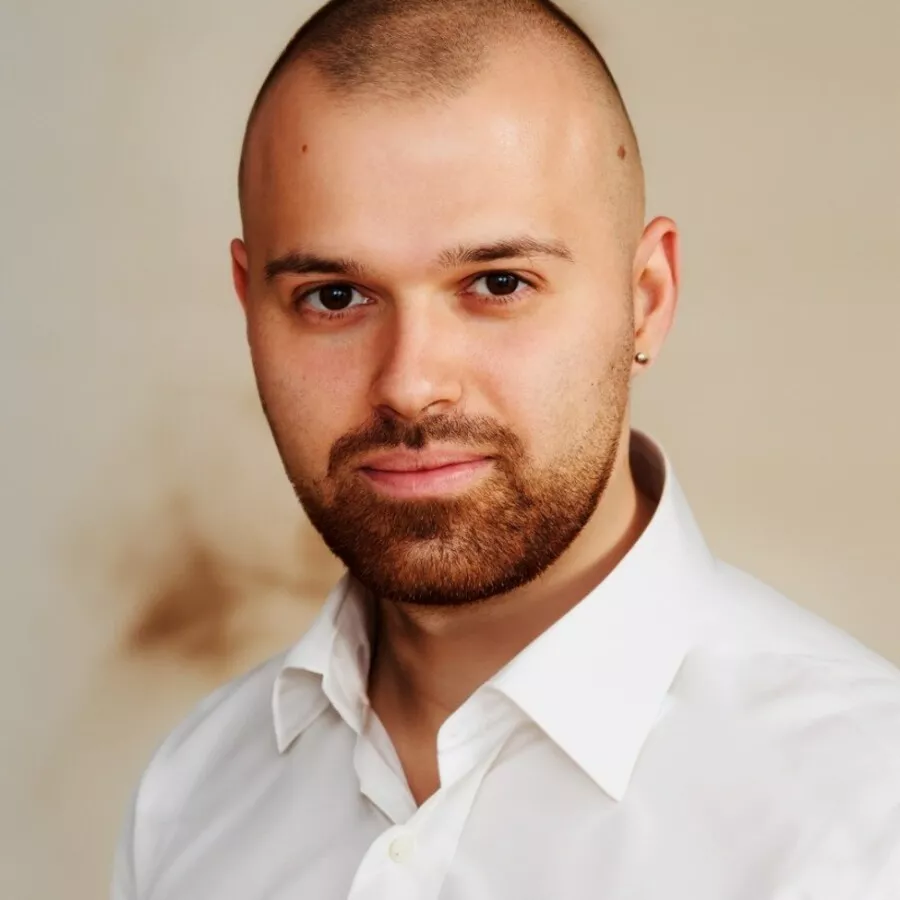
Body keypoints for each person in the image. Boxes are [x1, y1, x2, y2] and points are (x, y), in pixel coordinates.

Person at [111, 0, 900, 897]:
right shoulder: (191, 797)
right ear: (250, 305)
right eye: (334, 297)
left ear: (646, 299)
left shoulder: (866, 817)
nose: (410, 384)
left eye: (497, 283)